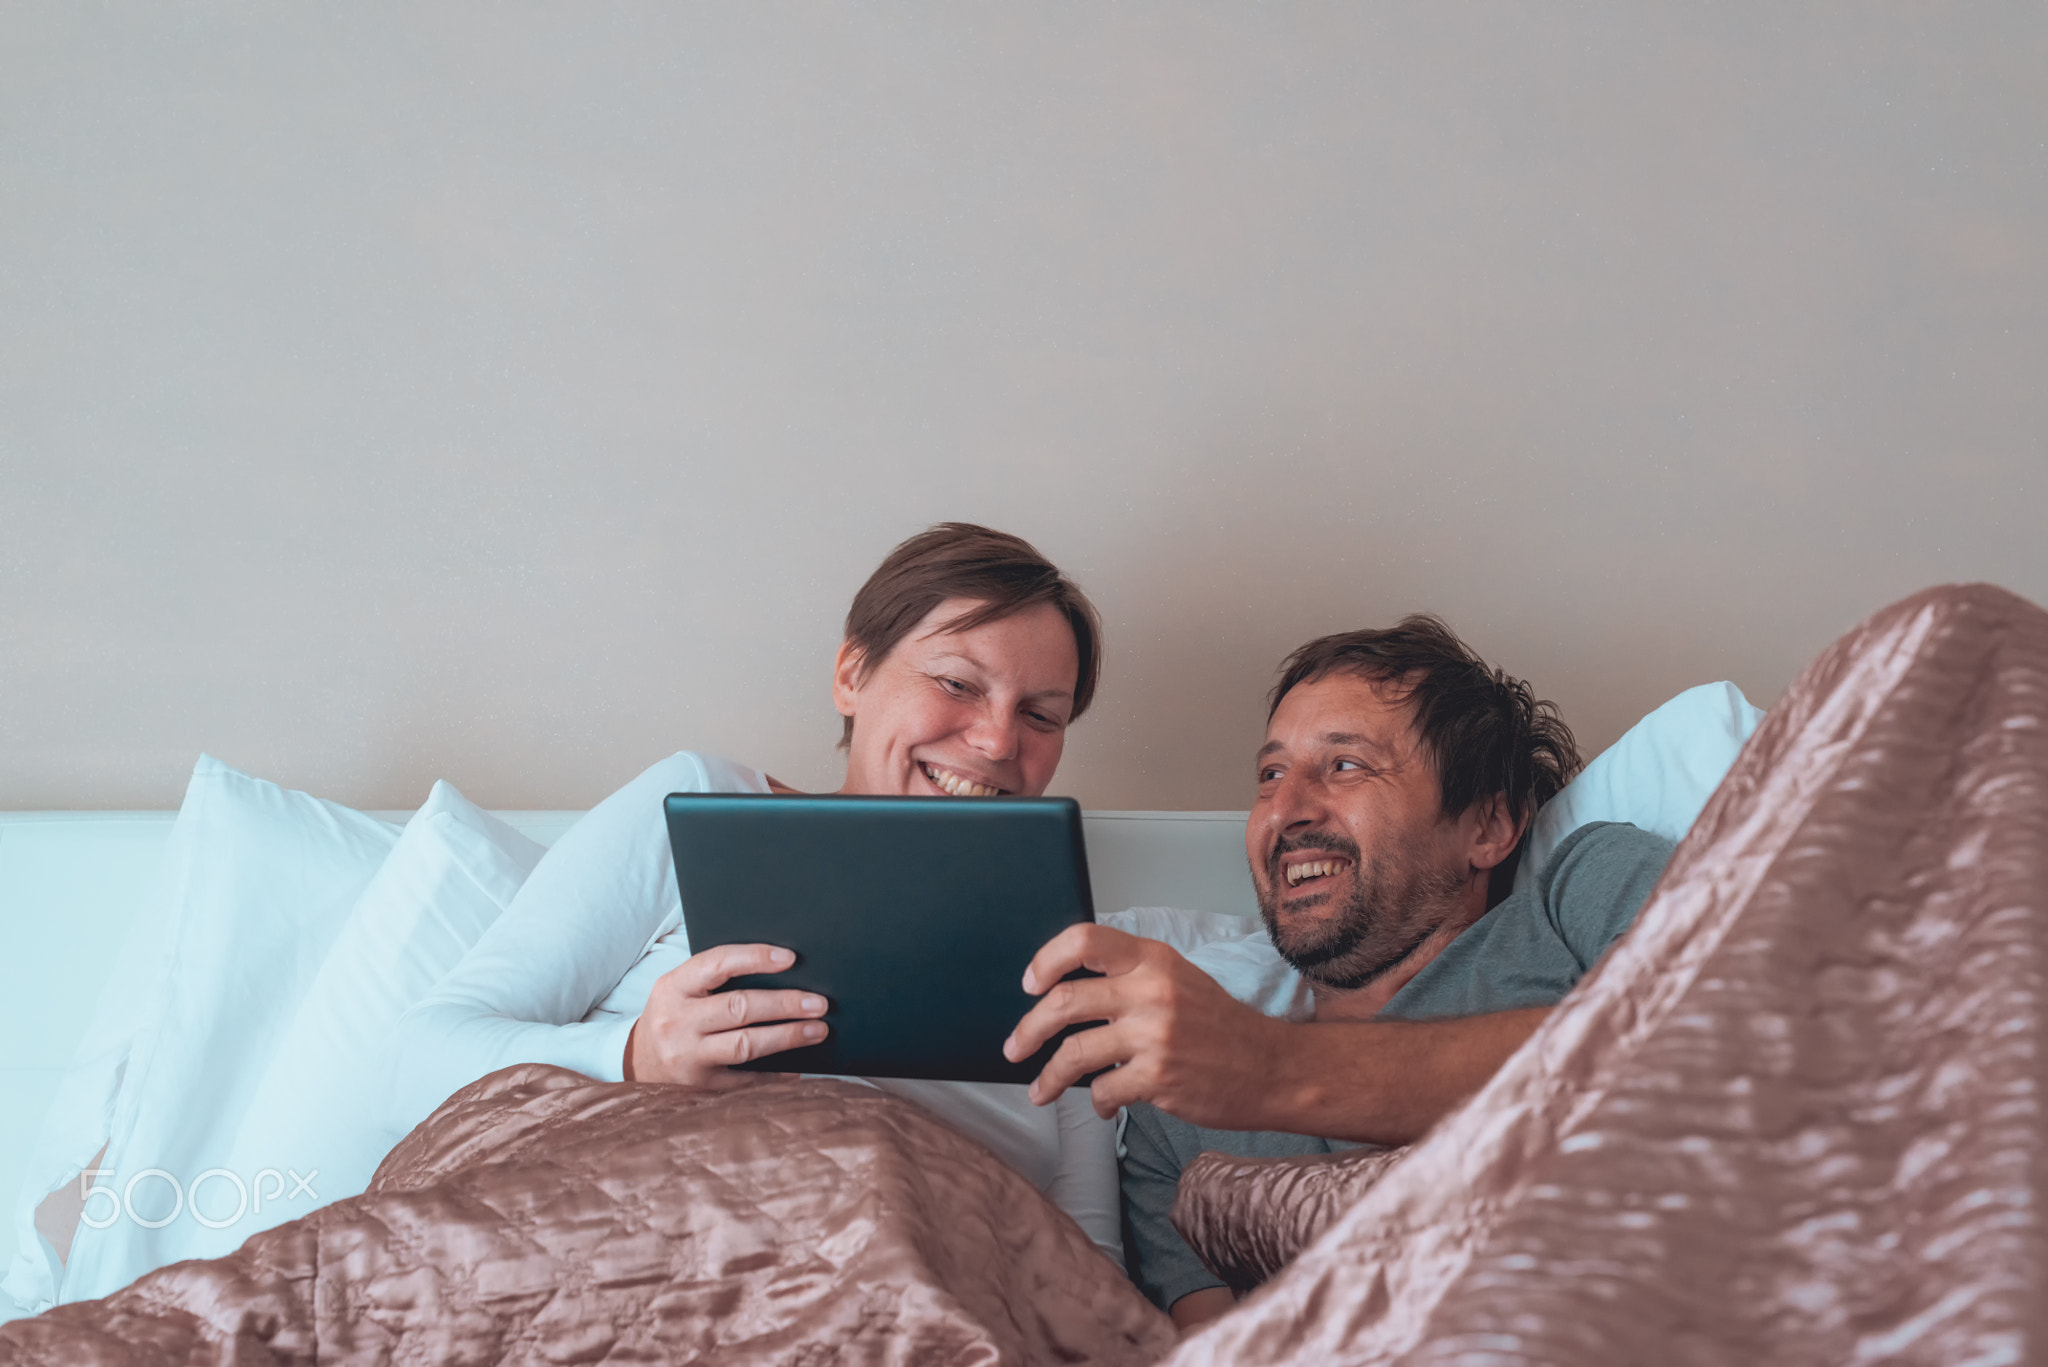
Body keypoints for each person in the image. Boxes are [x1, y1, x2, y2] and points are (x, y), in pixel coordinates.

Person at [389, 522, 1127, 1261]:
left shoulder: (1072, 967)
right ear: (852, 673)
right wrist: (636, 1055)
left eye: (1040, 714)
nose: (999, 741)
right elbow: (415, 1057)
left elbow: (1087, 1263)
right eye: (957, 683)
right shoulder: (693, 805)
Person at [1002, 614, 1677, 1324]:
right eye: (1270, 774)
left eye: (1345, 764)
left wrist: (1268, 1067)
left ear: (1488, 826)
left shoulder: (1582, 888)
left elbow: (1719, 1037)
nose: (1285, 810)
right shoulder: (1177, 1117)